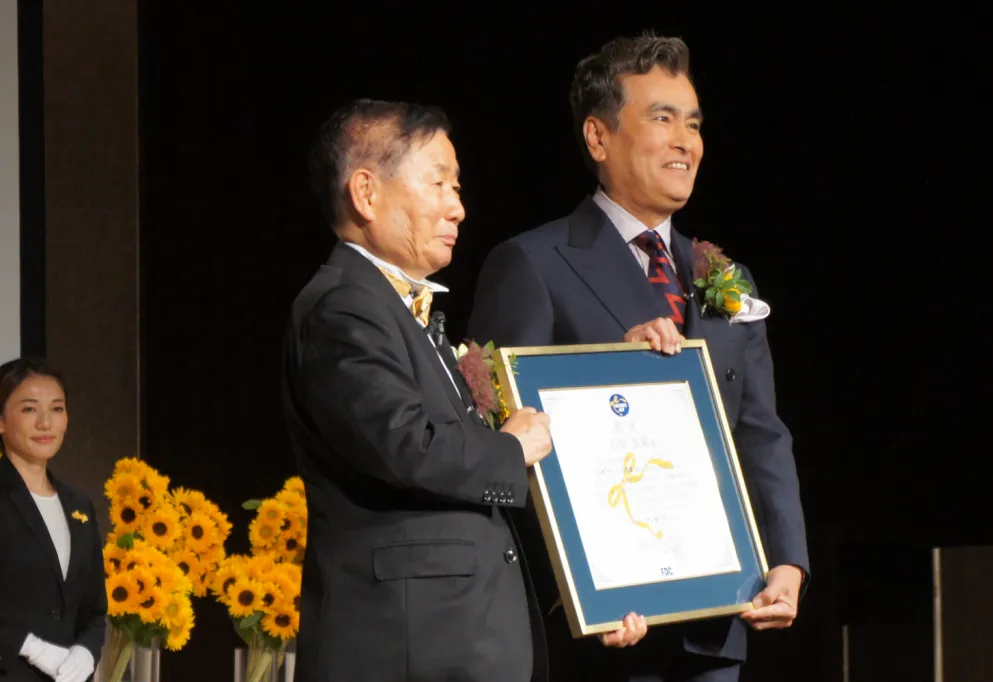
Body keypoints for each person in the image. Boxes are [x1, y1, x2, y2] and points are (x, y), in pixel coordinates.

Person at [466, 34, 810, 682]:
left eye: (694, 124)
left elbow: (761, 432)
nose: (686, 142)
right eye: (663, 119)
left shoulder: (725, 279)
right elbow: (497, 439)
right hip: (606, 637)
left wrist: (787, 562)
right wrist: (573, 590)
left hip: (716, 624)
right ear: (598, 138)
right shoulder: (533, 264)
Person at [282, 99, 646, 682]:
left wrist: (590, 589)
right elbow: (407, 445)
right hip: (408, 651)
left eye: (457, 187)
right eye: (438, 184)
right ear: (366, 193)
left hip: (461, 643)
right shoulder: (343, 307)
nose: (458, 207)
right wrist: (510, 446)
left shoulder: (399, 309)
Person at [0, 358, 107, 682]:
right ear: (1, 421)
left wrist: (86, 651)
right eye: (29, 409)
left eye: (57, 409)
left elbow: (94, 610)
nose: (45, 422)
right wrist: (30, 647)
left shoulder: (79, 505)